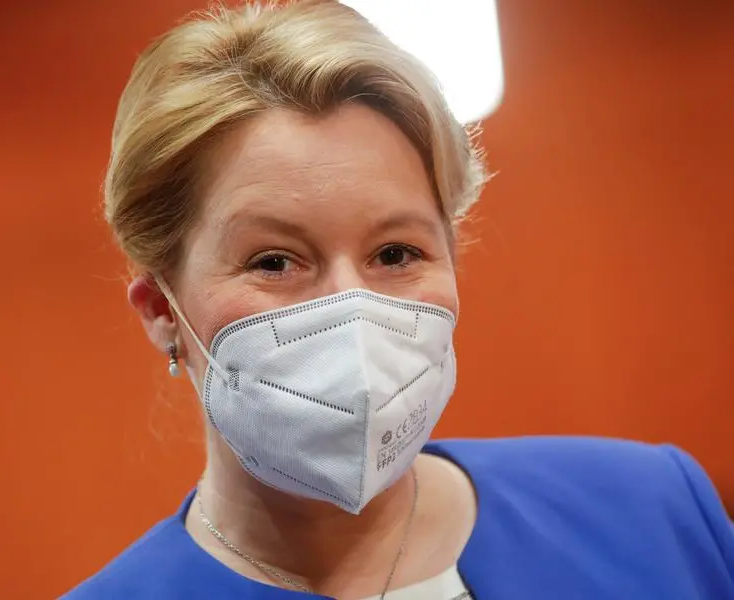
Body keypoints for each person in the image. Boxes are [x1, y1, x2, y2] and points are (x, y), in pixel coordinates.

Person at [63, 1, 734, 598]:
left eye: (394, 254)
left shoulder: (656, 514)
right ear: (162, 311)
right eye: (274, 261)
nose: (351, 310)